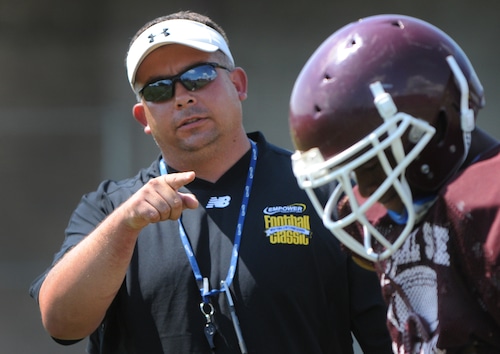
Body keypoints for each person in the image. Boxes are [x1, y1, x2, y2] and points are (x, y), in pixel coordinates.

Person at [29, 10, 392, 354]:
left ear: (238, 84)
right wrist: (125, 226)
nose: (183, 97)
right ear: (143, 115)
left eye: (199, 76)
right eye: (158, 89)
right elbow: (62, 323)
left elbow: (392, 335)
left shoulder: (324, 189)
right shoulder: (110, 208)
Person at [288, 13, 500, 353]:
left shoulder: (492, 204)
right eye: (354, 171)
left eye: (373, 165)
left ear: (440, 125)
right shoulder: (369, 216)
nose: (367, 192)